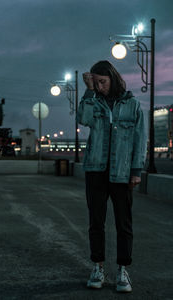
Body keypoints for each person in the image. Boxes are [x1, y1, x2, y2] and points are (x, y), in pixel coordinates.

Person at [76, 60, 147, 293]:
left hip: (122, 173)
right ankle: (97, 267)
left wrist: (136, 171)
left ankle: (122, 271)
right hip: (96, 170)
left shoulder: (132, 105)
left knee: (123, 224)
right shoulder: (92, 100)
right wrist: (88, 89)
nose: (100, 87)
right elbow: (83, 119)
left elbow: (140, 139)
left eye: (103, 82)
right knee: (96, 222)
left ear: (113, 79)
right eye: (96, 83)